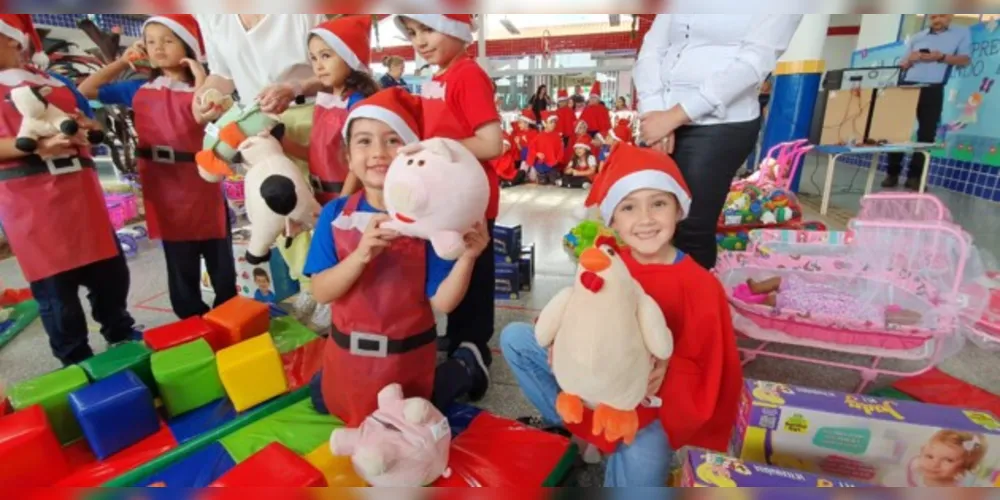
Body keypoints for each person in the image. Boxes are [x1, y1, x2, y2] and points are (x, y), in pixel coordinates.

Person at [501, 144, 743, 486]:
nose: (645, 219)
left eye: (658, 203)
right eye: (629, 207)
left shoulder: (701, 285)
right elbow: (572, 311)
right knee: (516, 339)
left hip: (646, 409)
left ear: (678, 210)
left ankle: (609, 439)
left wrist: (666, 368)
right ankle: (581, 427)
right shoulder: (609, 264)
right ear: (613, 219)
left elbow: (711, 368)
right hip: (589, 387)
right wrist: (558, 342)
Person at [304, 88, 489, 426]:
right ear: (347, 156)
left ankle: (464, 365)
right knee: (324, 400)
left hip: (405, 361)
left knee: (408, 418)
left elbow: (444, 303)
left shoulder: (430, 222)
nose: (378, 153)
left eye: (392, 141)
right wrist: (361, 255)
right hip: (348, 358)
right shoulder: (335, 215)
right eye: (363, 141)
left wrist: (468, 257)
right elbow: (321, 292)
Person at [79, 15, 237, 321]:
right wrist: (122, 61)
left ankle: (230, 312)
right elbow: (85, 90)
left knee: (218, 252)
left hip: (201, 179)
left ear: (188, 46)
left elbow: (205, 108)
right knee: (180, 259)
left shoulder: (205, 87)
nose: (158, 48)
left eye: (167, 40)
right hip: (162, 184)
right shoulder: (137, 88)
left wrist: (200, 74)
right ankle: (191, 319)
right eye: (150, 41)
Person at [0, 15, 137, 365]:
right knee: (57, 296)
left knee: (110, 275)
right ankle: (75, 360)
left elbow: (87, 117)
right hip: (30, 203)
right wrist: (29, 147)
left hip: (81, 193)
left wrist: (90, 127)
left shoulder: (55, 82)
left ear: (14, 41)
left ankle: (120, 333)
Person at [635, 14, 802, 270]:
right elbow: (651, 50)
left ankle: (691, 306)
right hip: (659, 120)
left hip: (718, 124)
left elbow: (752, 63)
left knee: (690, 227)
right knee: (646, 221)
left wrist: (675, 116)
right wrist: (655, 113)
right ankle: (653, 300)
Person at [396, 14, 503, 408]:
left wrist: (437, 148)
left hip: (470, 202)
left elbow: (492, 143)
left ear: (457, 29)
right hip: (445, 202)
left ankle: (475, 351)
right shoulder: (437, 77)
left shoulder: (468, 75)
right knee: (450, 270)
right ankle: (459, 338)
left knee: (472, 275)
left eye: (428, 29)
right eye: (413, 33)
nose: (420, 41)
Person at [283, 15, 379, 204]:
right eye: (313, 58)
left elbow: (359, 164)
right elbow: (318, 155)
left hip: (350, 200)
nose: (318, 66)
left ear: (349, 56)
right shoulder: (326, 102)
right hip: (322, 197)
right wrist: (281, 141)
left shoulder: (358, 104)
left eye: (326, 56)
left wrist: (342, 205)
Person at [884, 14, 971, 191]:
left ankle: (915, 177)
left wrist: (940, 57)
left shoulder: (962, 33)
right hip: (907, 86)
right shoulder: (917, 37)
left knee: (926, 133)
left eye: (942, 16)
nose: (937, 20)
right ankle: (892, 173)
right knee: (898, 131)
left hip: (933, 87)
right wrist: (910, 60)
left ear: (950, 16)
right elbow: (902, 64)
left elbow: (965, 60)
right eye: (933, 17)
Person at [528, 112, 563, 185]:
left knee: (554, 181)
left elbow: (560, 150)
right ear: (545, 124)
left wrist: (557, 159)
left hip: (553, 164)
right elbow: (531, 147)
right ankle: (541, 175)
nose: (553, 124)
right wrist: (537, 153)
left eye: (554, 122)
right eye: (551, 122)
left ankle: (550, 175)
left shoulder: (557, 136)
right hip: (542, 164)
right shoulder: (539, 136)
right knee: (543, 182)